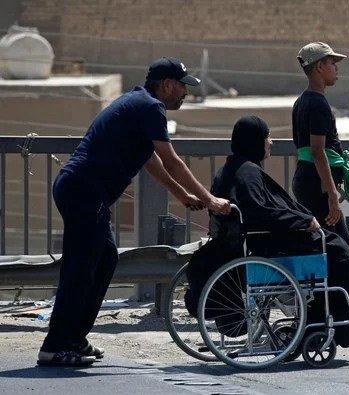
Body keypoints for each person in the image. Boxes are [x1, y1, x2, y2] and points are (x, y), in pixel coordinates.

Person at [38, 57, 231, 366]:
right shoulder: (150, 107)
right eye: (183, 87)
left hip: (85, 192)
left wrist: (182, 193)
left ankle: (74, 338)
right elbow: (172, 160)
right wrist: (210, 200)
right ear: (167, 85)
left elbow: (149, 159)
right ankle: (56, 345)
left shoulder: (138, 102)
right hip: (84, 192)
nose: (186, 93)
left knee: (104, 261)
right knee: (80, 270)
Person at [187, 115, 349, 349]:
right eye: (267, 137)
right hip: (268, 243)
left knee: (333, 245)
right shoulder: (247, 172)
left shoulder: (230, 169)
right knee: (338, 250)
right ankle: (342, 328)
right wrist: (304, 219)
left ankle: (324, 321)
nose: (271, 143)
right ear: (255, 141)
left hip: (255, 241)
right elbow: (261, 212)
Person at [291, 42, 349, 244]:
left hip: (306, 180)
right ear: (319, 67)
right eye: (332, 62)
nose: (336, 68)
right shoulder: (318, 104)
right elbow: (318, 151)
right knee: (339, 247)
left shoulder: (302, 101)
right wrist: (331, 194)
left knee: (322, 244)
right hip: (316, 185)